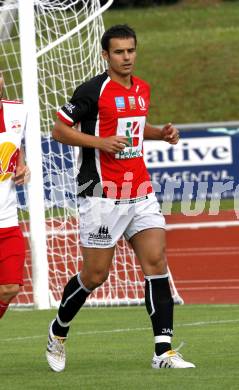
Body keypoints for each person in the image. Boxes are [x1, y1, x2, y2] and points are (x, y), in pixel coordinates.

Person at [46, 25, 195, 372]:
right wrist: (100, 142)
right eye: (119, 52)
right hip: (101, 194)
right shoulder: (91, 91)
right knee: (95, 275)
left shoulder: (142, 89)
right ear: (105, 55)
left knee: (156, 263)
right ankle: (58, 331)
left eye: (131, 51)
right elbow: (59, 129)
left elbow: (135, 129)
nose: (126, 57)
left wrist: (161, 133)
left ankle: (163, 352)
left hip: (139, 189)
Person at [0, 71, 30, 319]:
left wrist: (22, 166)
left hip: (7, 220)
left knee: (9, 287)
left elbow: (15, 148)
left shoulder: (17, 112)